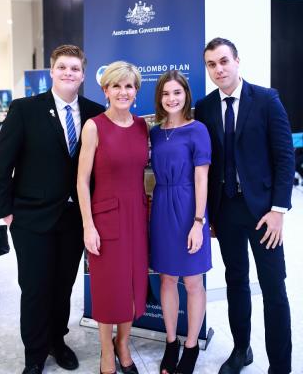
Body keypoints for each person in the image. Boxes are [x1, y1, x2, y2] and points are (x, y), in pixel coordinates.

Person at [0, 45, 104, 374]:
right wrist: (6, 210)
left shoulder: (96, 112)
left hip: (74, 218)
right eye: (62, 67)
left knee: (63, 286)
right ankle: (35, 354)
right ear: (52, 72)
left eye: (75, 68)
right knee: (36, 288)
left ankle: (58, 339)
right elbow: (2, 164)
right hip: (31, 218)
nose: (69, 73)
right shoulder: (25, 109)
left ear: (83, 75)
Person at [194, 37, 294, 374]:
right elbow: (205, 166)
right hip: (227, 211)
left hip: (265, 213)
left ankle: (280, 365)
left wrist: (279, 211)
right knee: (236, 281)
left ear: (237, 61)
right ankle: (241, 350)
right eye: (212, 64)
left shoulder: (266, 100)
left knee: (273, 288)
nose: (219, 69)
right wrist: (206, 215)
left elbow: (285, 158)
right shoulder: (205, 107)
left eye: (224, 61)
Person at [77, 61, 149, 374]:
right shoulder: (94, 126)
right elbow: (81, 181)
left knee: (133, 287)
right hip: (105, 218)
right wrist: (88, 226)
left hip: (137, 216)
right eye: (116, 86)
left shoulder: (142, 126)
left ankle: (124, 343)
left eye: (129, 86)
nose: (123, 91)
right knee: (109, 290)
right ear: (105, 90)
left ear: (136, 92)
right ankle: (107, 352)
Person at [150, 70, 212, 374]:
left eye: (177, 92)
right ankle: (171, 342)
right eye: (165, 93)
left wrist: (198, 222)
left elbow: (202, 178)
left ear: (186, 94)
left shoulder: (198, 129)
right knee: (166, 279)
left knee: (193, 281)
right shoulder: (155, 132)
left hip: (189, 207)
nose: (171, 98)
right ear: (159, 98)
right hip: (161, 206)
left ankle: (191, 347)